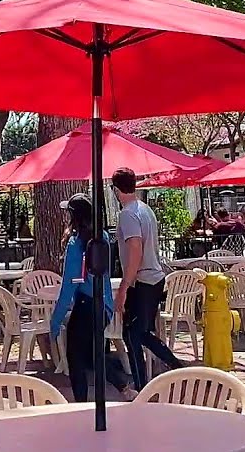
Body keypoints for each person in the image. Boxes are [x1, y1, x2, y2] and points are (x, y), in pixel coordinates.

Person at [51, 193, 136, 402]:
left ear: (73, 216)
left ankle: (80, 404)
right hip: (103, 304)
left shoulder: (75, 244)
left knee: (76, 358)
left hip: (85, 305)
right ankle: (122, 383)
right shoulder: (103, 238)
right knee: (91, 354)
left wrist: (55, 321)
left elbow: (69, 286)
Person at [111, 167, 184, 389]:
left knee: (132, 335)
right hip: (154, 278)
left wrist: (123, 289)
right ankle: (175, 367)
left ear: (115, 190)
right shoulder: (145, 210)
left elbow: (135, 251)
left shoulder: (128, 214)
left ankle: (143, 384)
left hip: (141, 280)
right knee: (139, 333)